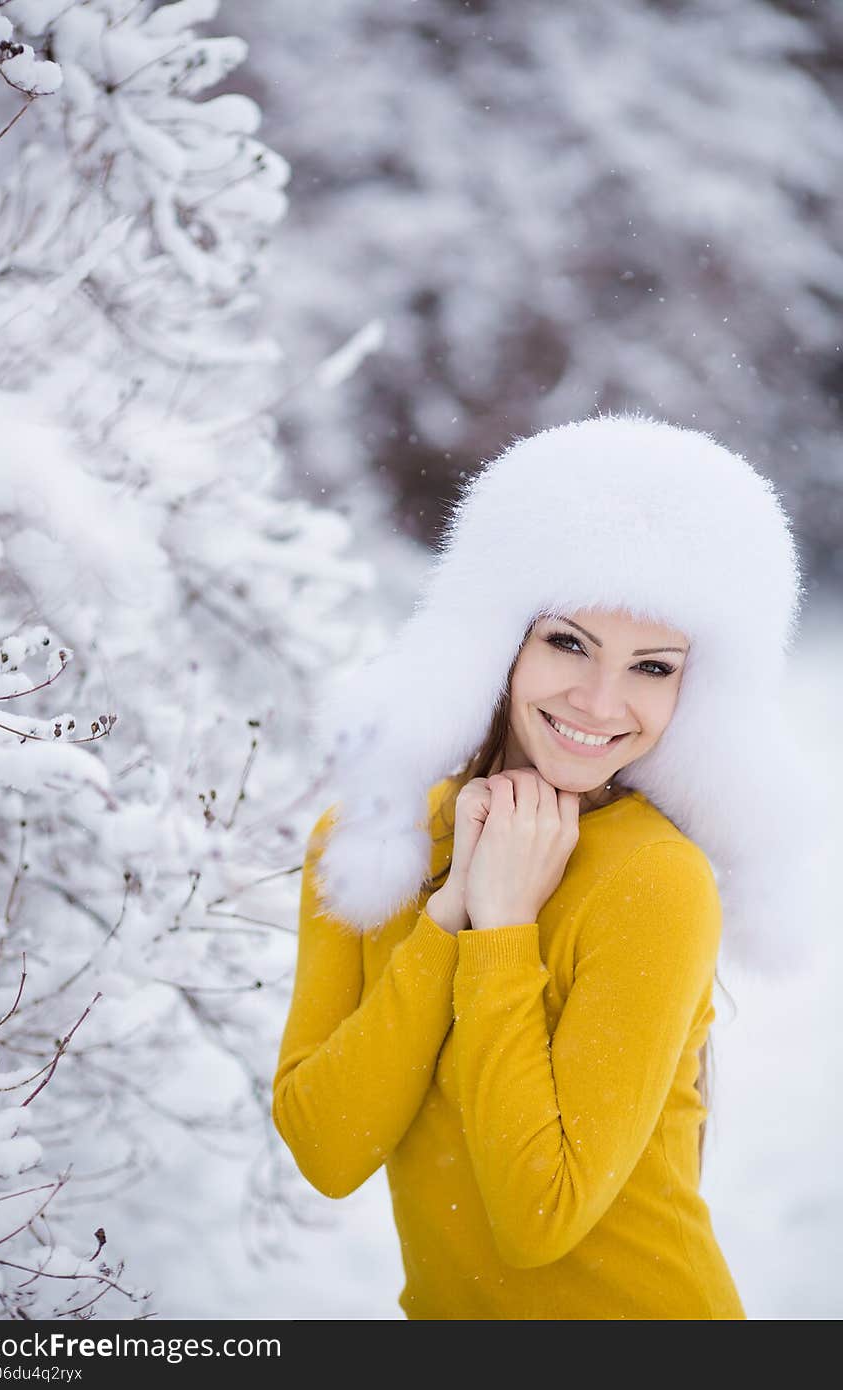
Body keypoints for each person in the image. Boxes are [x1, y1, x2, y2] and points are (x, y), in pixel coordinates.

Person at [272, 411, 821, 1321]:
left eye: (653, 666)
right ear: (499, 639)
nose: (602, 702)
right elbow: (329, 1150)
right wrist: (450, 916)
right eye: (568, 642)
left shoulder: (654, 878)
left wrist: (506, 935)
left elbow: (540, 1214)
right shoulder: (374, 838)